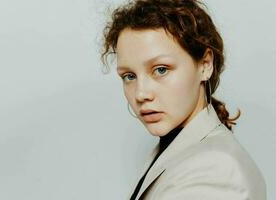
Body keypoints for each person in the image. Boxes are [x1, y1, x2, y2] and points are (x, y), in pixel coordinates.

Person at [100, 0, 267, 199]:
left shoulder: (216, 170)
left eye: (161, 69)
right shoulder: (175, 149)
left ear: (205, 64)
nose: (140, 94)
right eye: (129, 76)